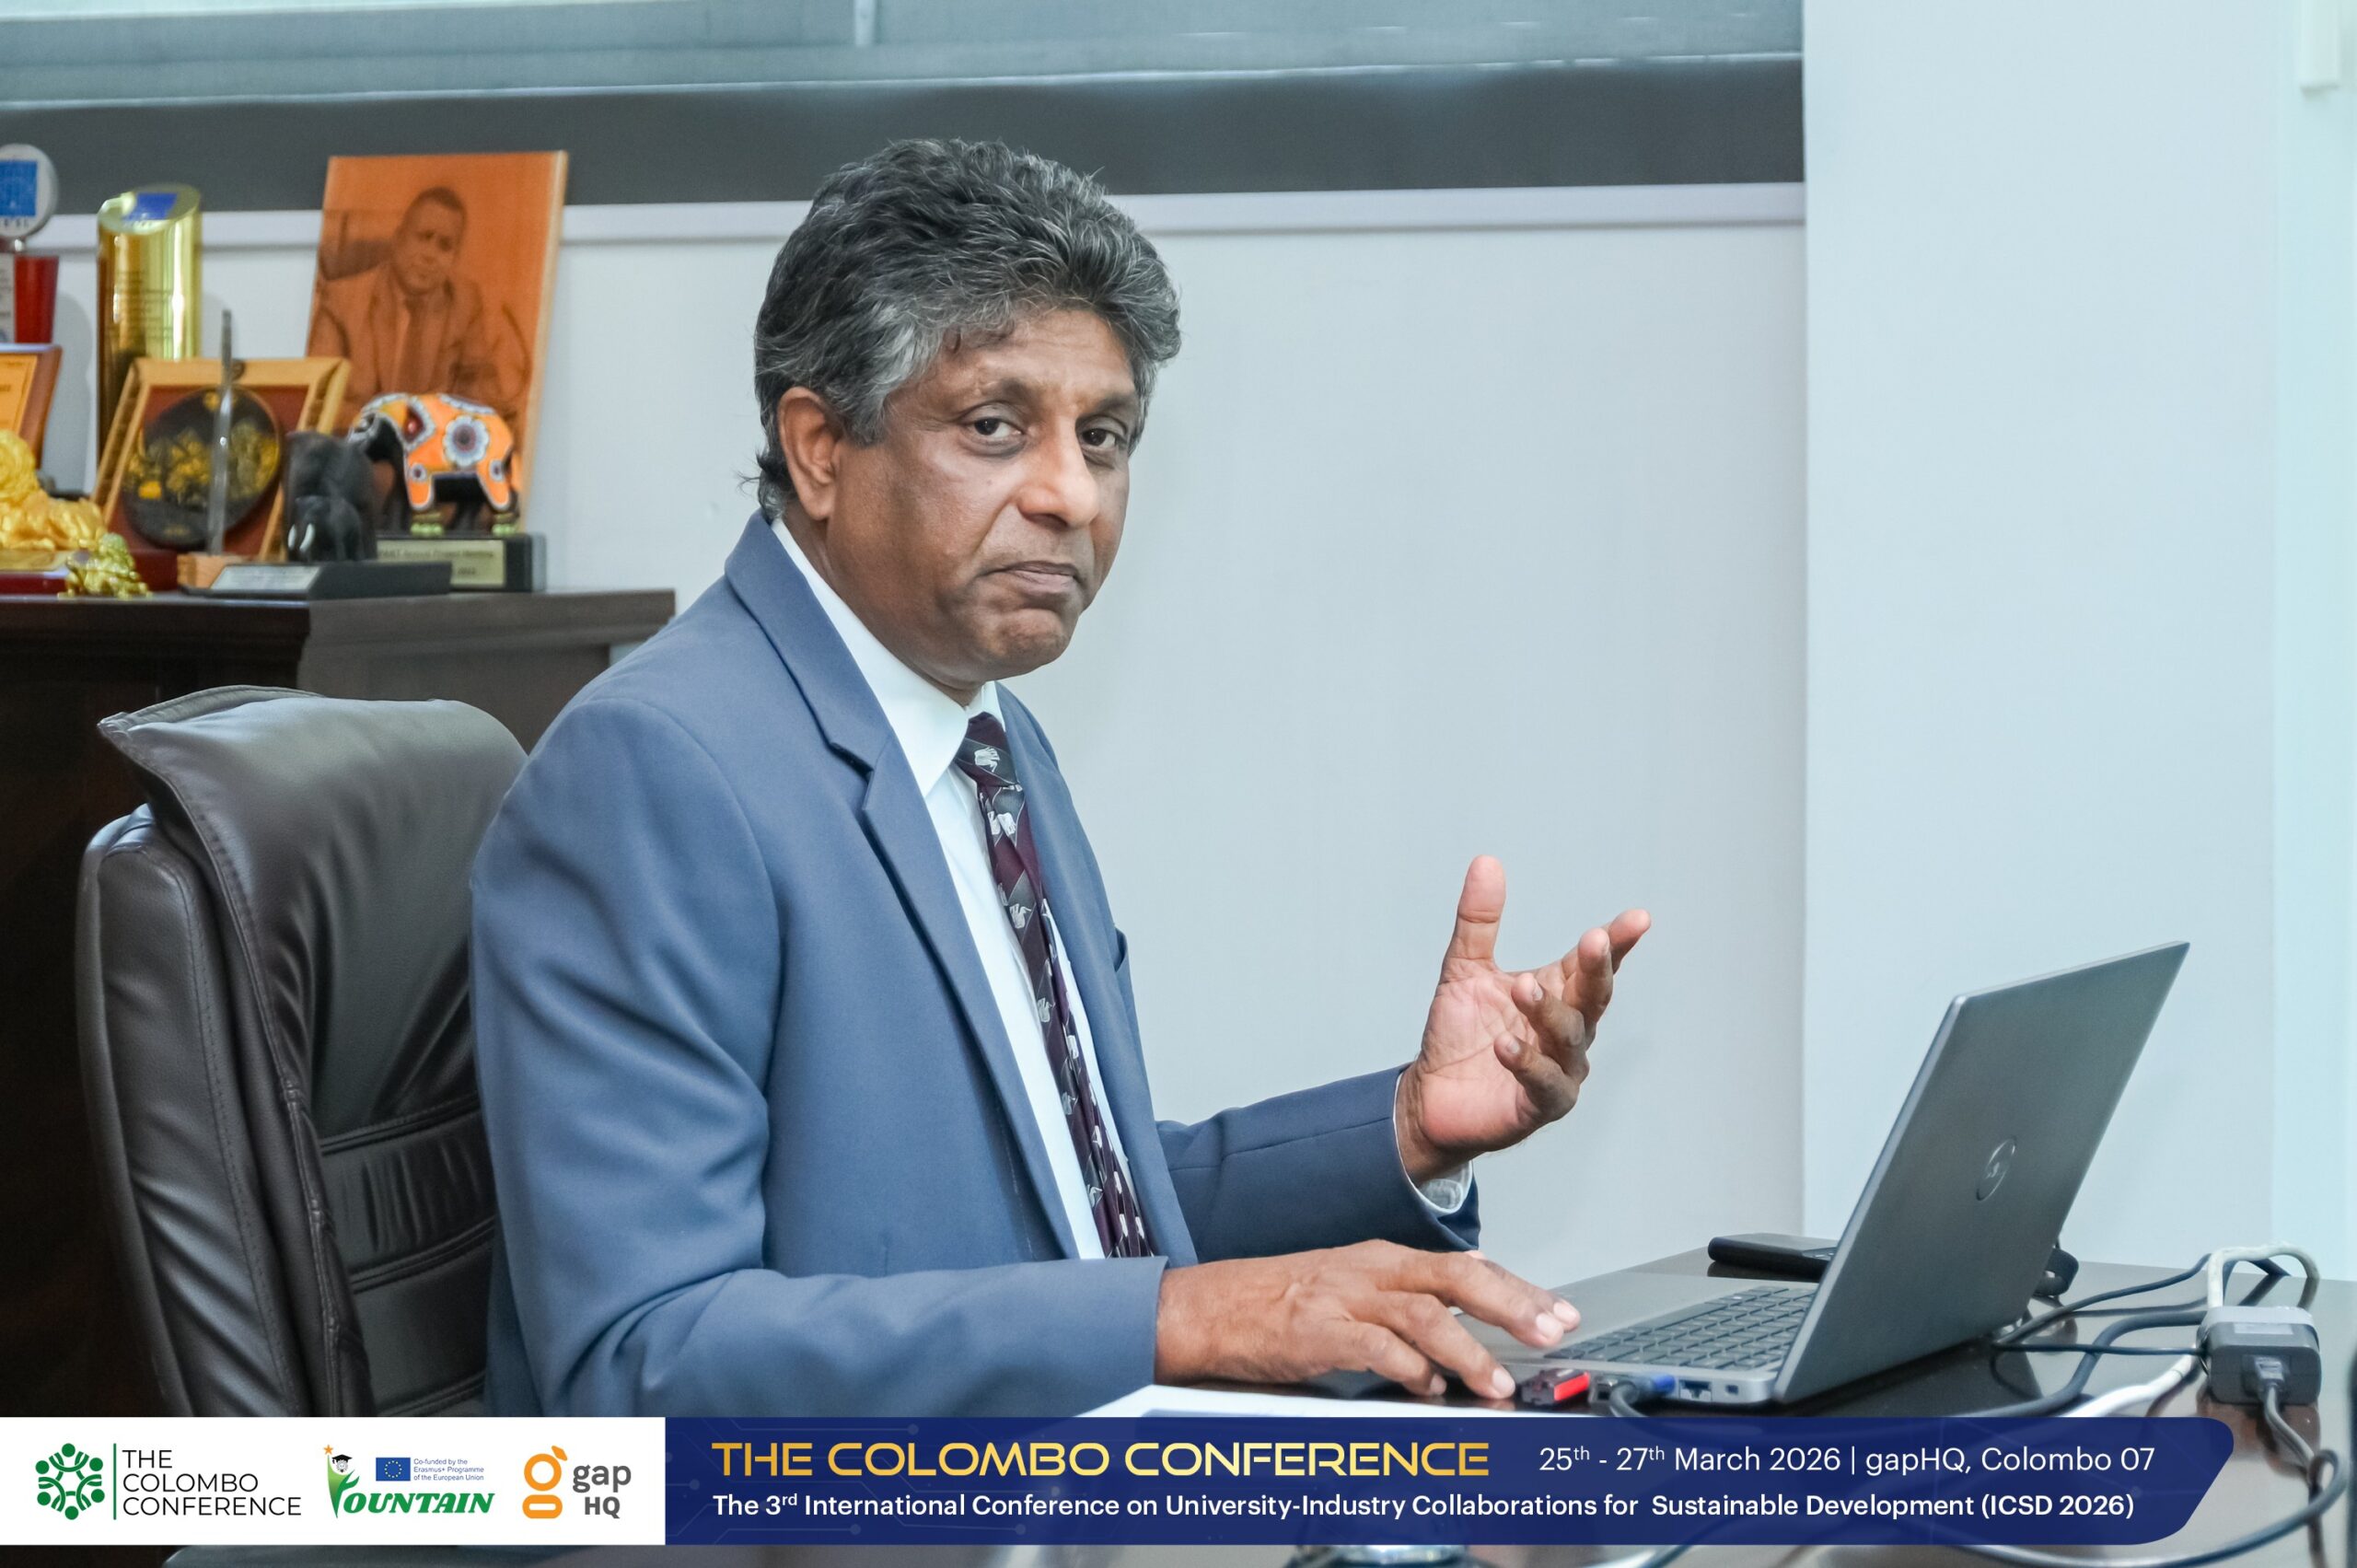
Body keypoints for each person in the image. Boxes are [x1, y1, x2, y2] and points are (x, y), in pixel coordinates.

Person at [470, 139, 1650, 1418]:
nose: (1071, 494)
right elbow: (644, 1359)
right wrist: (1179, 1320)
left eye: (1105, 436)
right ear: (817, 448)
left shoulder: (988, 735)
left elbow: (1084, 1214)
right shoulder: (656, 770)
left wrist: (1410, 1128)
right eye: (995, 426)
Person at [308, 186, 529, 422]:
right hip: (358, 439)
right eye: (424, 237)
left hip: (432, 442)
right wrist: (392, 425)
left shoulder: (464, 304)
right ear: (398, 239)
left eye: (444, 245)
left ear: (455, 257)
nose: (430, 255)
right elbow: (318, 401)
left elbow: (481, 398)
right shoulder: (342, 302)